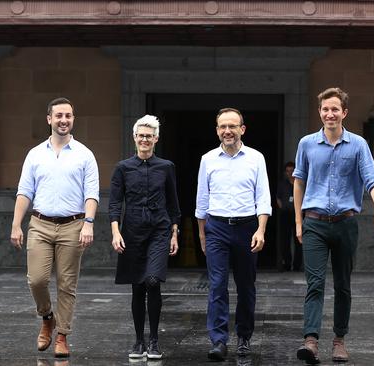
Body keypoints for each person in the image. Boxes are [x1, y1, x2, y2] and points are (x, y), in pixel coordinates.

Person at [294, 87, 374, 365]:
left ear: (344, 113)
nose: (330, 114)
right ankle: (310, 341)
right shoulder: (307, 144)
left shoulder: (358, 145)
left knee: (343, 285)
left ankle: (339, 341)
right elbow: (299, 180)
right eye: (325, 109)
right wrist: (299, 221)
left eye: (335, 109)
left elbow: (372, 180)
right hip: (315, 223)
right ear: (320, 112)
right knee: (315, 284)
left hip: (346, 224)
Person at [10, 97, 99, 358]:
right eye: (59, 115)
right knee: (36, 279)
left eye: (68, 116)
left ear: (73, 119)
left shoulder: (85, 154)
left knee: (67, 284)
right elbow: (24, 192)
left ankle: (62, 335)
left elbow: (91, 193)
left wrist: (89, 223)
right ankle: (47, 316)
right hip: (40, 224)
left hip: (73, 225)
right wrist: (16, 224)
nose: (63, 120)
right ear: (49, 119)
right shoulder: (35, 154)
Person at [195, 108, 272, 361]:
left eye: (232, 126)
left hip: (247, 228)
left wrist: (261, 230)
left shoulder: (256, 158)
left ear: (242, 129)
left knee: (246, 286)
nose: (227, 131)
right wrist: (203, 236)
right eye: (222, 127)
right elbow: (202, 202)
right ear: (217, 130)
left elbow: (263, 198)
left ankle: (244, 338)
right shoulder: (208, 159)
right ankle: (218, 341)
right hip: (216, 228)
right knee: (217, 286)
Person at [109, 115, 181, 360]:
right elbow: (115, 202)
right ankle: (139, 341)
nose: (144, 139)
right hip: (131, 232)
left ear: (156, 139)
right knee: (137, 287)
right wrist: (116, 232)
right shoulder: (123, 168)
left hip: (159, 231)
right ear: (134, 138)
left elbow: (173, 203)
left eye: (149, 136)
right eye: (141, 135)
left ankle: (154, 340)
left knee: (152, 280)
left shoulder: (166, 167)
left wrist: (174, 233)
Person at [276, 161, 301, 272]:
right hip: (286, 214)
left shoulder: (300, 183)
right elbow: (278, 197)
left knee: (298, 240)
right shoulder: (282, 184)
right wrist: (282, 207)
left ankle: (297, 265)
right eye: (288, 171)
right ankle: (287, 264)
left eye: (292, 171)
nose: (290, 173)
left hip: (298, 214)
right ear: (285, 173)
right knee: (285, 240)